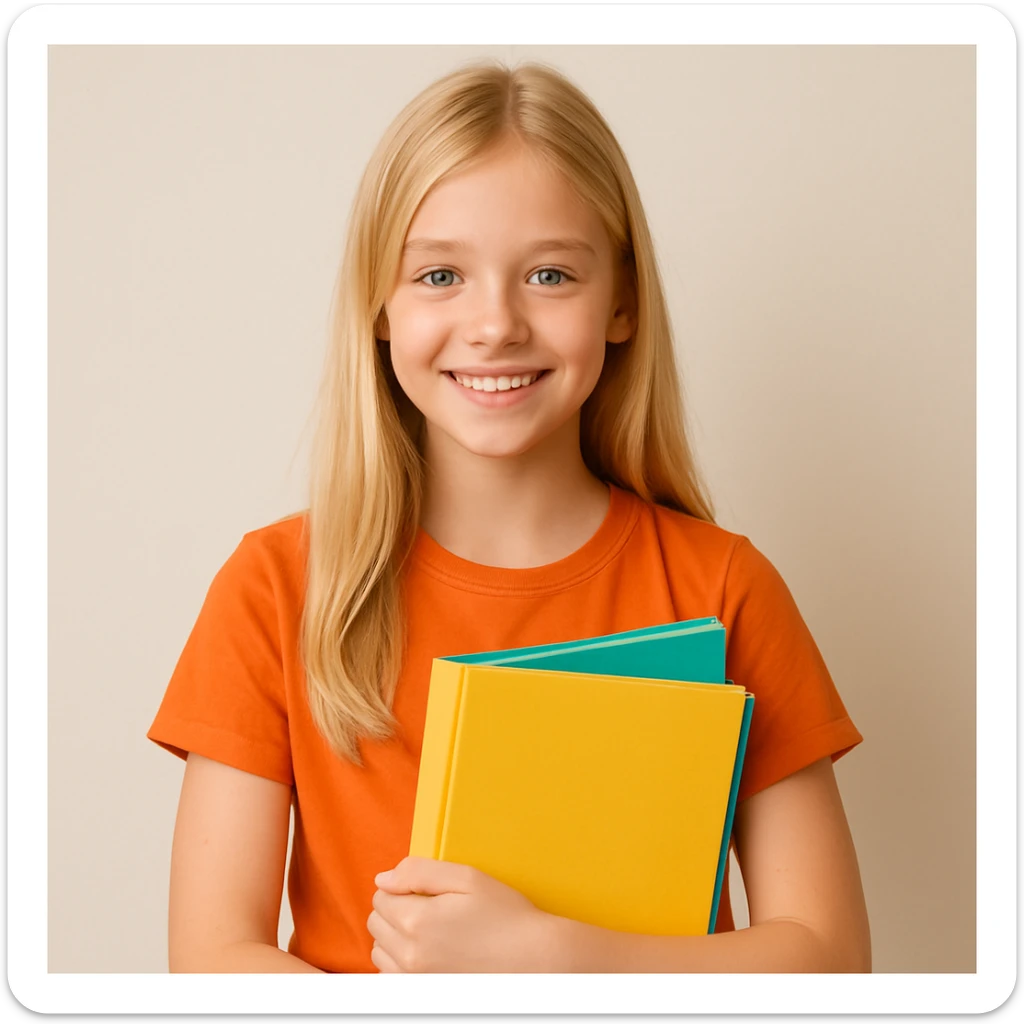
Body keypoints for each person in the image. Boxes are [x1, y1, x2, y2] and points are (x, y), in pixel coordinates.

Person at [148, 60, 870, 974]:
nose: (494, 325)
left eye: (550, 275)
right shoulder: (275, 587)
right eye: (441, 273)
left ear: (623, 302)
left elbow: (831, 958)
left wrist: (558, 959)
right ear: (380, 305)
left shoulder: (724, 589)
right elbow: (213, 960)